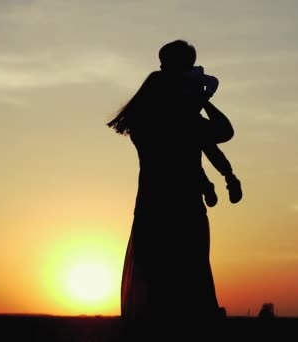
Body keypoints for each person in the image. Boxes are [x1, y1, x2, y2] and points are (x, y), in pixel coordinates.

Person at [107, 40, 235, 329]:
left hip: (150, 210)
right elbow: (225, 131)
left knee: (154, 287)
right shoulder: (183, 119)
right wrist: (203, 100)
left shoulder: (145, 116)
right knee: (191, 285)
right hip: (185, 211)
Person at [159, 43, 243, 207]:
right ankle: (207, 186)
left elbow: (213, 81)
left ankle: (228, 178)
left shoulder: (192, 75)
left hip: (193, 122)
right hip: (180, 125)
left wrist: (204, 97)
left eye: (165, 61)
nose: (162, 65)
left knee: (208, 148)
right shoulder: (164, 79)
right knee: (190, 157)